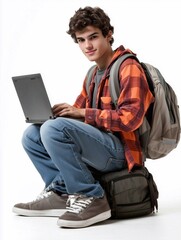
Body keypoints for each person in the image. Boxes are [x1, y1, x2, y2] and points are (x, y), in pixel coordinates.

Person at [12, 6, 154, 228]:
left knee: (54, 129)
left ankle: (92, 197)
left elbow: (130, 119)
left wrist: (80, 114)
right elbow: (76, 119)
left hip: (122, 154)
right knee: (33, 134)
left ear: (108, 35)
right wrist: (56, 114)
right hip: (101, 148)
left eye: (93, 37)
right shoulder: (93, 75)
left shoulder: (128, 67)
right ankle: (61, 192)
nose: (87, 46)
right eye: (81, 40)